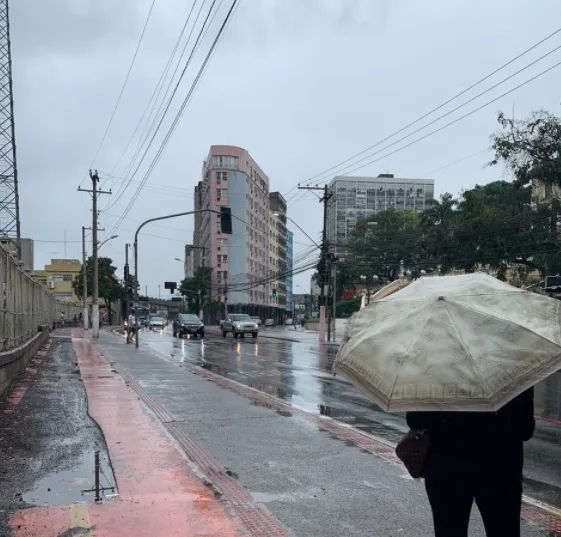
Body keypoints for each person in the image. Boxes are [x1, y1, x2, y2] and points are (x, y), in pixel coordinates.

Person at [406, 387, 535, 537]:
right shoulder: (515, 369)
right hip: (501, 469)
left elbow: (414, 419)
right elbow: (526, 430)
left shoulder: (435, 370)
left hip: (447, 466)